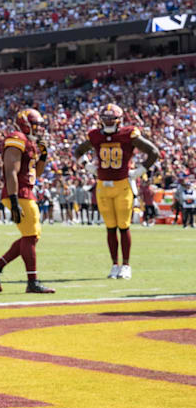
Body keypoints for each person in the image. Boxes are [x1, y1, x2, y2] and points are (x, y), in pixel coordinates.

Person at [73, 103, 160, 279]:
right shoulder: (95, 135)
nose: (108, 121)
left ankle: (126, 265)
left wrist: (139, 172)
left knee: (123, 226)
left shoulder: (128, 134)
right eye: (105, 118)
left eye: (111, 118)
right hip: (103, 186)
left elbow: (153, 152)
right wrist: (88, 166)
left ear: (119, 119)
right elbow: (78, 151)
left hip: (122, 185)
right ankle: (114, 265)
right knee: (110, 228)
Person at [0, 109, 55, 294]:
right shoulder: (16, 138)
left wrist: (44, 155)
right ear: (25, 123)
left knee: (30, 237)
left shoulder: (29, 141)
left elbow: (36, 173)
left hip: (26, 191)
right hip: (19, 193)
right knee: (31, 237)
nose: (39, 129)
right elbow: (10, 171)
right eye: (36, 124)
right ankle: (32, 281)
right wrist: (14, 200)